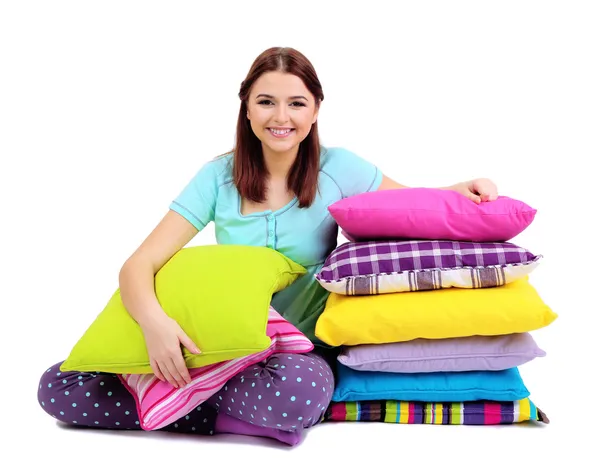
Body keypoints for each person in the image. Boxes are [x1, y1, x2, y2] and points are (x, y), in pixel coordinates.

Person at [37, 46, 498, 438]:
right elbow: (137, 265)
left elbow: (413, 205)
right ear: (246, 107)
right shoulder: (217, 177)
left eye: (296, 103)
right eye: (266, 102)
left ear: (316, 109)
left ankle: (179, 408)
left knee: (304, 392)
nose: (281, 118)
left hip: (293, 354)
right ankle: (227, 412)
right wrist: (156, 329)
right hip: (215, 345)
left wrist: (462, 190)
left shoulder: (340, 168)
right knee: (58, 385)